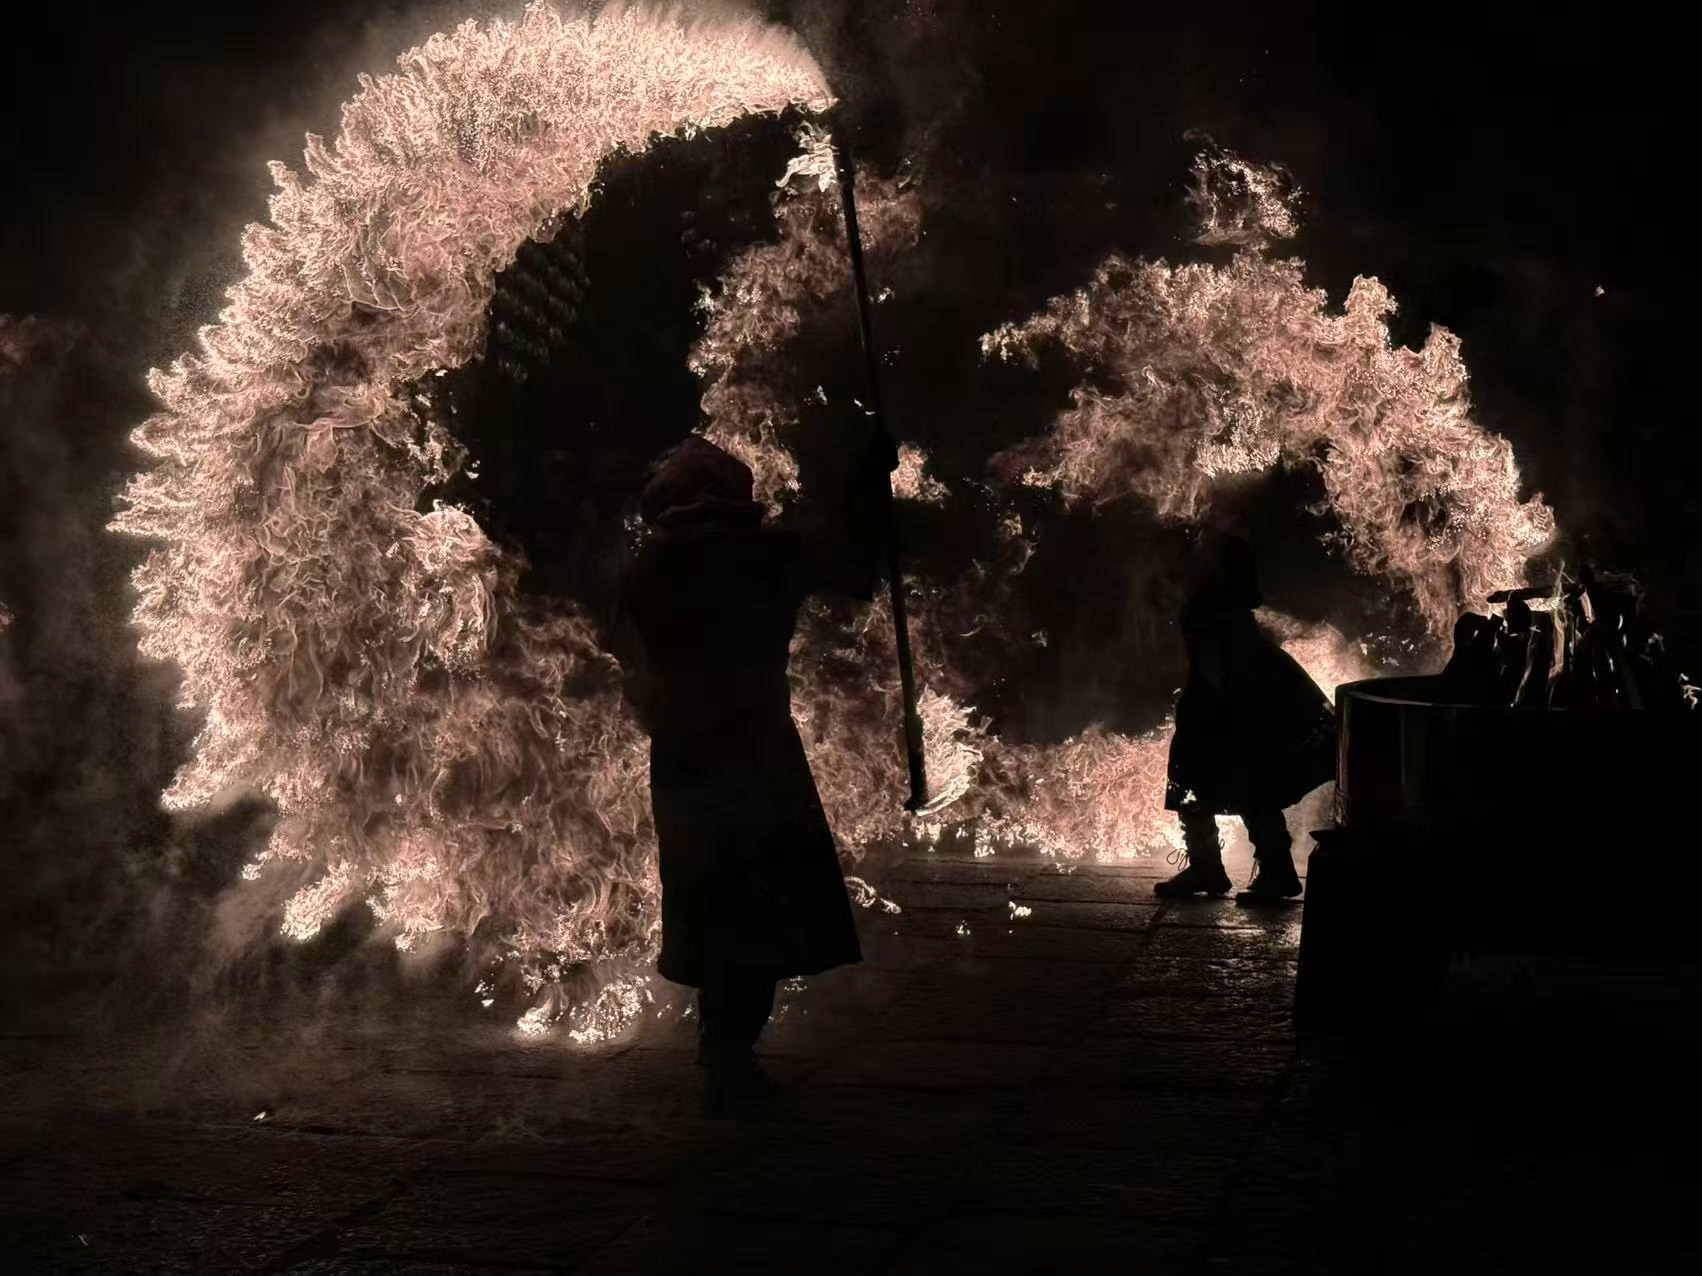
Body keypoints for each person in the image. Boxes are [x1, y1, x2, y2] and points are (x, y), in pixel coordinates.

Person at [613, 432, 894, 1112]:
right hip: (757, 751)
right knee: (758, 903)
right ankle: (731, 1056)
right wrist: (870, 482)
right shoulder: (765, 555)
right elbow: (859, 570)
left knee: (716, 900)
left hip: (685, 755)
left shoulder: (650, 566)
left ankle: (724, 1049)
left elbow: (626, 661)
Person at [1157, 533, 1336, 904]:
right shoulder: (1212, 609)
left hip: (1237, 710)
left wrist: (1213, 713)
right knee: (1225, 785)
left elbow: (1221, 671)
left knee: (1248, 785)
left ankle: (1273, 871)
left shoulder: (1217, 614)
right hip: (1229, 709)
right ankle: (1220, 867)